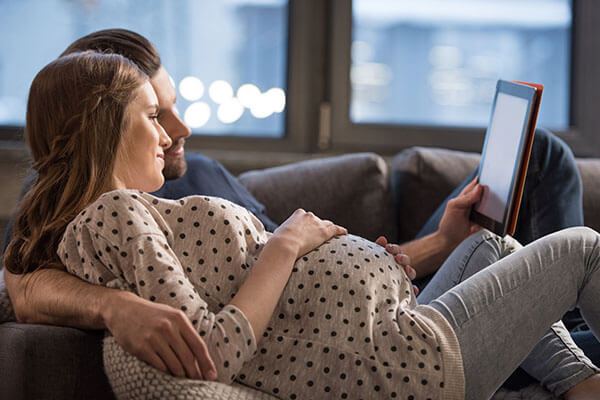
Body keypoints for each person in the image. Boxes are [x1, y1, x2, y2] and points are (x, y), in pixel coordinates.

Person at [1, 28, 596, 389]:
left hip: (381, 290)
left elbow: (300, 268)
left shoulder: (196, 175)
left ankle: (565, 353)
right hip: (376, 339)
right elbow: (20, 283)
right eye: (154, 112)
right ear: (103, 126)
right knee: (569, 247)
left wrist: (431, 245)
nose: (180, 128)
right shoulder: (105, 213)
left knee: (533, 162)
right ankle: (561, 345)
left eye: (171, 107)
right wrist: (114, 306)